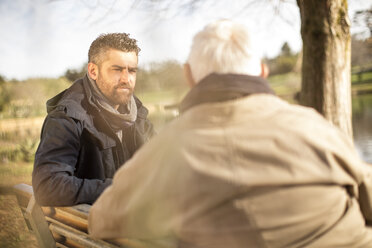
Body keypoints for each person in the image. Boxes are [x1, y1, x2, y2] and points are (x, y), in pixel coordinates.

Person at [88, 20, 372, 247]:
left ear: (189, 76)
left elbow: (101, 220)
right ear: (262, 71)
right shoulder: (316, 128)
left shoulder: (163, 151)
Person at [32, 33, 155, 206]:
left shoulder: (138, 114)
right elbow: (48, 186)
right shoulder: (68, 118)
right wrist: (121, 189)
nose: (126, 79)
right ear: (93, 71)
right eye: (117, 69)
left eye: (132, 70)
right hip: (92, 226)